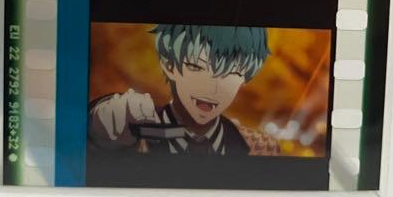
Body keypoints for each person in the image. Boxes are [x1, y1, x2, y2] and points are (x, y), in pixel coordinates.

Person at [88, 25, 276, 156]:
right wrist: (104, 119)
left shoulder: (260, 146)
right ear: (169, 65)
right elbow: (99, 138)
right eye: (196, 67)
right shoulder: (135, 133)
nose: (212, 88)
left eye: (232, 73)